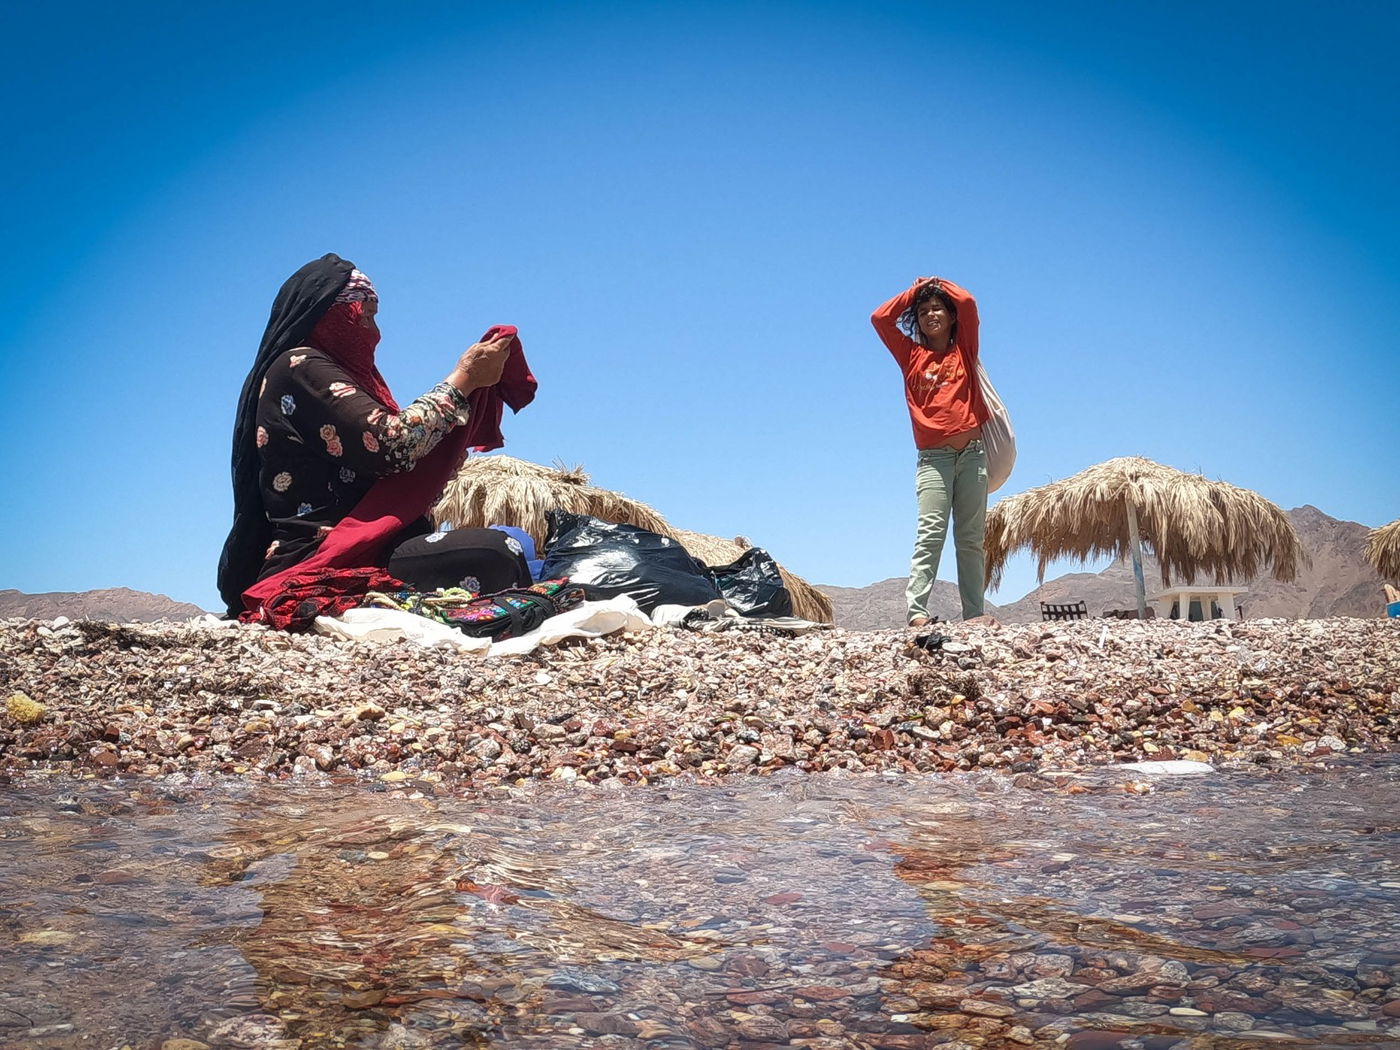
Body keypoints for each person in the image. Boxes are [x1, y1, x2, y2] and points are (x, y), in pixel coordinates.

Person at [217, 254, 535, 619]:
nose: (376, 332)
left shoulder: (351, 382)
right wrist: (466, 377)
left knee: (514, 543)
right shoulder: (299, 367)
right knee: (493, 552)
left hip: (378, 545)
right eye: (366, 316)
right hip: (325, 554)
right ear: (329, 316)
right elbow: (390, 445)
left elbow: (394, 462)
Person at [871, 276, 990, 626]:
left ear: (951, 317)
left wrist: (938, 283)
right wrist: (912, 293)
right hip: (933, 461)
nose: (930, 314)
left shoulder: (964, 349)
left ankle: (974, 615)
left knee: (970, 539)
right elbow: (880, 319)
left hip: (972, 455)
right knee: (931, 533)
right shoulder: (910, 355)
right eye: (923, 311)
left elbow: (967, 302)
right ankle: (917, 612)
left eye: (937, 308)